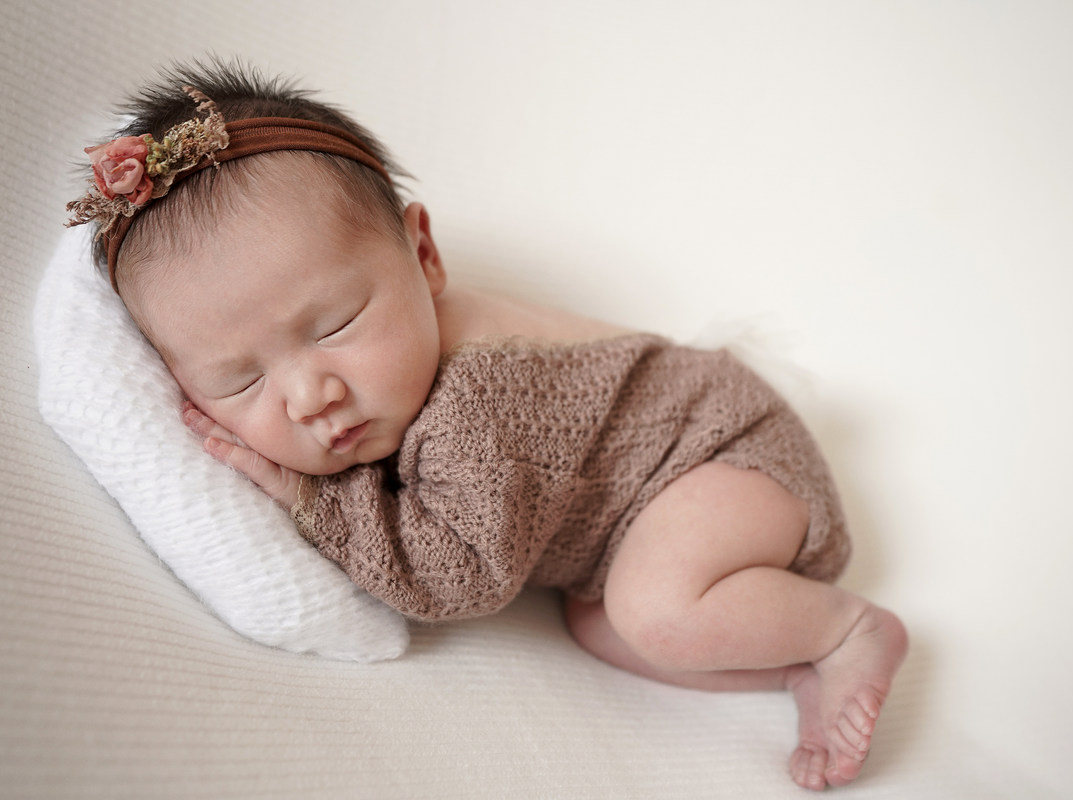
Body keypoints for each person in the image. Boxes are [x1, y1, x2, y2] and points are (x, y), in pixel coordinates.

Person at [67, 60, 907, 791]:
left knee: (654, 612)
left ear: (424, 257)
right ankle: (788, 656)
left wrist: (307, 497)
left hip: (723, 456)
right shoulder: (395, 376)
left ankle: (847, 628)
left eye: (333, 328)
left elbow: (463, 577)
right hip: (658, 507)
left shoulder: (477, 399)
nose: (309, 394)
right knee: (598, 623)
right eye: (241, 379)